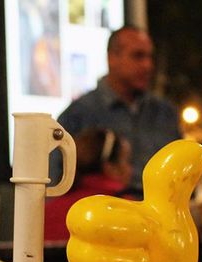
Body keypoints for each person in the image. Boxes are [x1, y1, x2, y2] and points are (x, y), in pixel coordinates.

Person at [56, 25, 180, 195]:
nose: (148, 65)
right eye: (138, 56)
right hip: (103, 218)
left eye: (150, 57)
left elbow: (182, 177)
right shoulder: (77, 116)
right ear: (111, 58)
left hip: (160, 219)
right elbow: (57, 185)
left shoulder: (165, 114)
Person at [43, 128, 132, 262]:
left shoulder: (45, 212)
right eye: (127, 161)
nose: (130, 169)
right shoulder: (128, 210)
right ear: (109, 167)